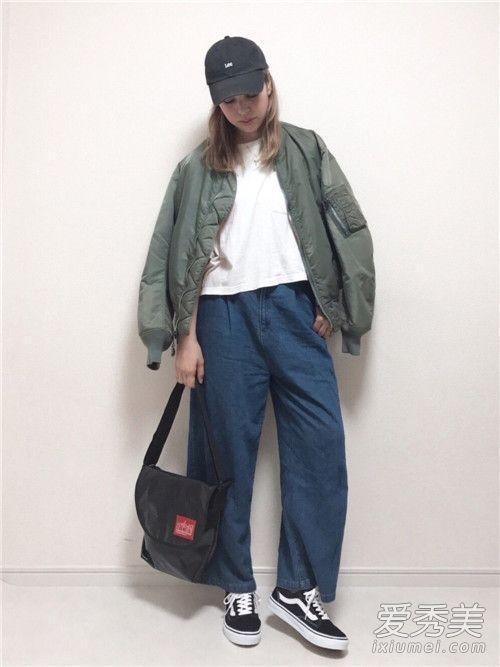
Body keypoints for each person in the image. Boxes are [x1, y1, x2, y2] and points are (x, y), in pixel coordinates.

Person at [137, 35, 375, 651]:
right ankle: (235, 584)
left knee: (320, 451)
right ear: (216, 102)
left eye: (251, 92)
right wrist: (182, 337)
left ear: (269, 84)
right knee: (226, 459)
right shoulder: (195, 169)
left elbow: (347, 227)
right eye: (230, 99)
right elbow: (170, 252)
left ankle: (299, 589)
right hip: (221, 321)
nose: (243, 107)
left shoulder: (305, 148)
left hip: (295, 313)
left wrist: (335, 305)